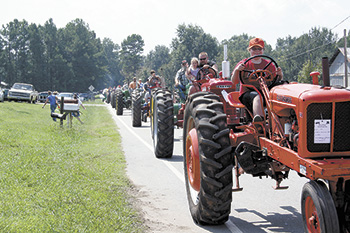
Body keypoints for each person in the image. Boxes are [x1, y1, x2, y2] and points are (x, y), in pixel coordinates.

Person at [231, 37, 283, 123]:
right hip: (248, 94)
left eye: (259, 49)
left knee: (284, 84)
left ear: (263, 50)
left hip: (266, 91)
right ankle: (259, 122)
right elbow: (234, 81)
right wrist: (237, 70)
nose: (257, 51)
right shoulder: (244, 64)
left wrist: (280, 74)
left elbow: (276, 81)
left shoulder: (269, 64)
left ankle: (285, 119)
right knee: (257, 96)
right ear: (249, 50)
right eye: (254, 49)